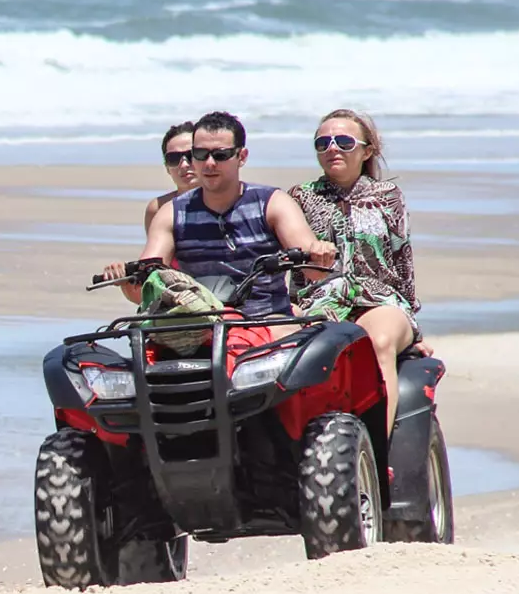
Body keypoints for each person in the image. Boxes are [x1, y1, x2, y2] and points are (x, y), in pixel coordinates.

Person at [105, 111, 335, 326]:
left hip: (266, 321)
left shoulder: (274, 202)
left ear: (241, 156)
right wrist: (127, 282)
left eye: (220, 155)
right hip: (197, 326)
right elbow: (146, 288)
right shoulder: (171, 213)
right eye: (200, 154)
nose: (209, 163)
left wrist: (320, 255)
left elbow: (313, 271)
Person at [288, 109, 422, 431]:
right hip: (320, 302)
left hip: (379, 300)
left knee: (378, 343)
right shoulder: (300, 197)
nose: (332, 148)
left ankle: (375, 455)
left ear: (366, 150)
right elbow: (290, 267)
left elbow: (402, 260)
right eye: (323, 143)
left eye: (344, 141)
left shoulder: (387, 197)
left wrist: (413, 328)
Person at [142, 121, 198, 231]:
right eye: (174, 159)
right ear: (167, 168)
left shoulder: (231, 202)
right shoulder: (158, 208)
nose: (184, 165)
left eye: (191, 155)